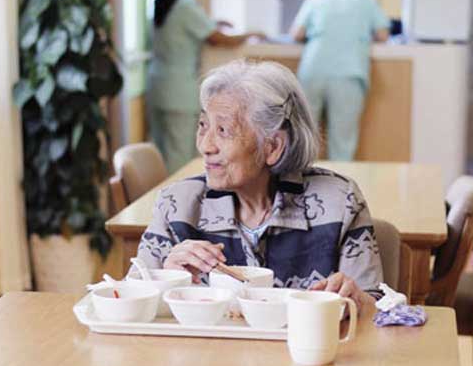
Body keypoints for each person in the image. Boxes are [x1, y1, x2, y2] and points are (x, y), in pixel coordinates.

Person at [136, 59, 383, 308]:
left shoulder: (339, 202)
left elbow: (380, 311)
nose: (205, 146)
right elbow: (130, 300)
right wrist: (167, 278)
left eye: (223, 130)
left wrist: (360, 301)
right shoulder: (177, 204)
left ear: (273, 146)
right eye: (203, 125)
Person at [148, 0, 264, 173]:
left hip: (157, 83)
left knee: (161, 152)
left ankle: (160, 203)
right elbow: (217, 39)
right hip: (178, 90)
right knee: (179, 156)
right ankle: (174, 205)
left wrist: (213, 21)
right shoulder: (185, 4)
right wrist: (250, 33)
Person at [291, 0, 389, 160]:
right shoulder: (366, 1)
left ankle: (297, 181)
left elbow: (297, 33)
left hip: (313, 69)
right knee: (342, 138)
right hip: (348, 72)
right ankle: (339, 185)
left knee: (303, 133)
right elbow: (383, 35)